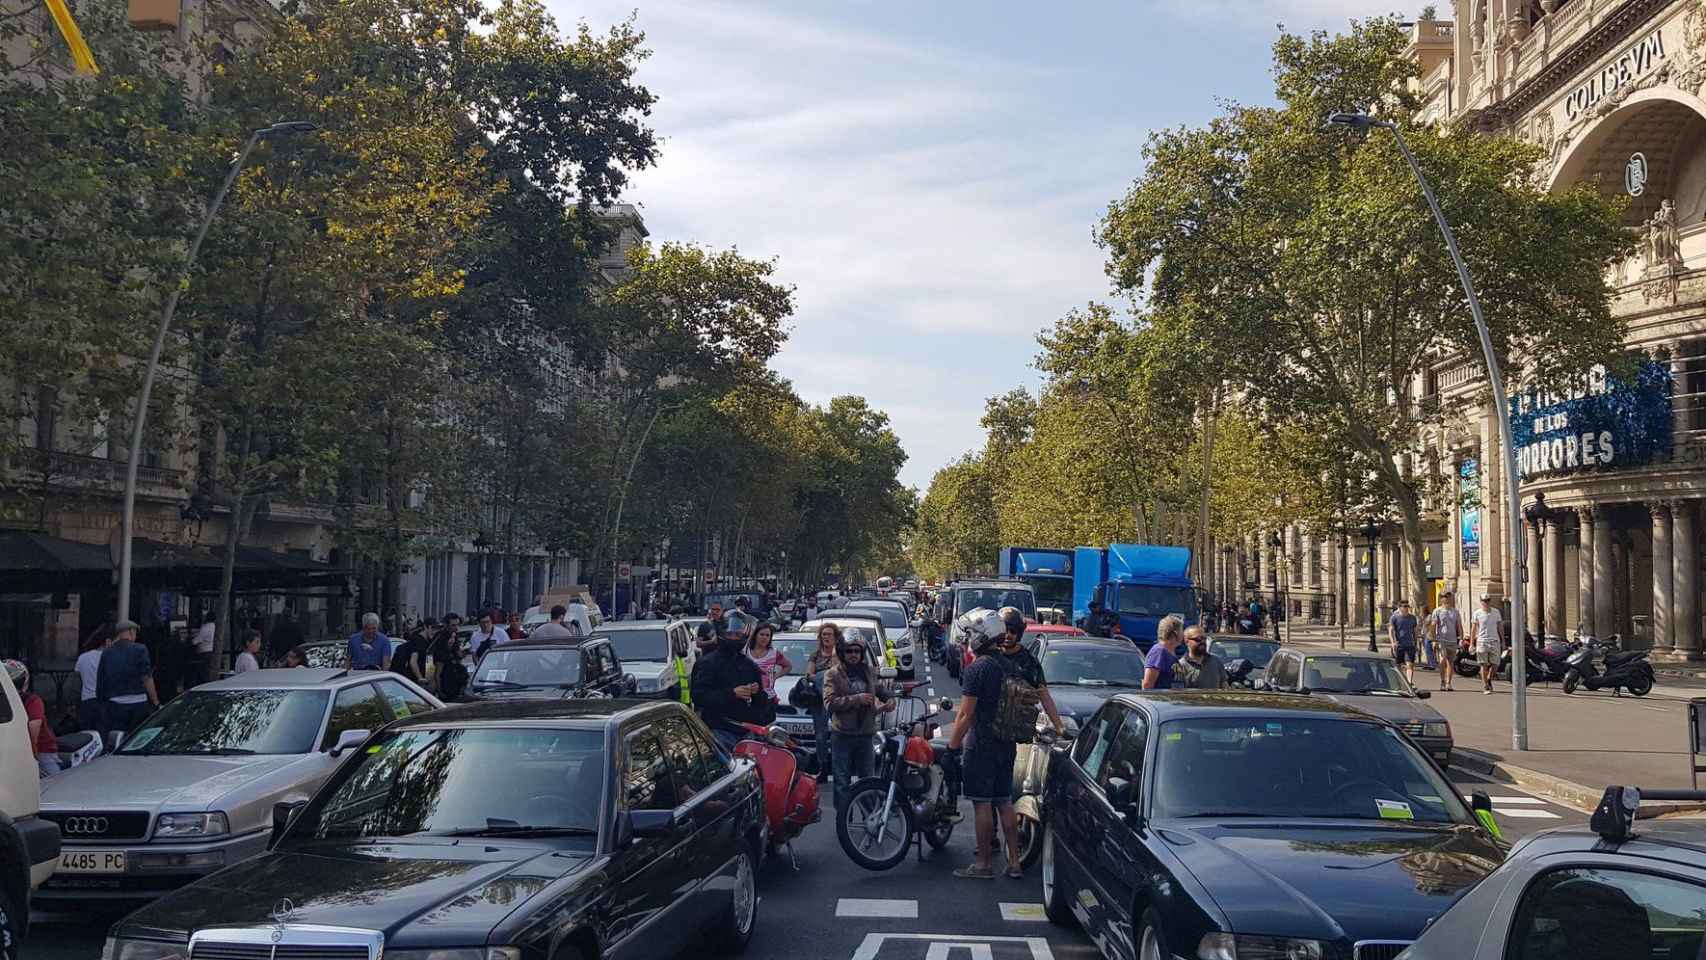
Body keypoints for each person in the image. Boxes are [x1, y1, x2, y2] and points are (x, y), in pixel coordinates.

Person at [947, 606, 1062, 880]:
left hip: (982, 743)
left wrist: (952, 747)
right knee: (1004, 802)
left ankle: (984, 864)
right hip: (1007, 742)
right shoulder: (1012, 663)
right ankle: (1014, 862)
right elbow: (1040, 693)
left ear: (982, 636)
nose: (967, 639)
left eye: (971, 634)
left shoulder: (979, 668)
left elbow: (965, 714)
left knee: (982, 803)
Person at [824, 631, 894, 809]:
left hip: (866, 734)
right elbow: (830, 703)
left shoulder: (869, 671)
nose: (853, 655)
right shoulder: (832, 674)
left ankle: (871, 818)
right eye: (849, 651)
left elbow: (879, 689)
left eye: (857, 651)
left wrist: (889, 698)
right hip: (842, 735)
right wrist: (857, 699)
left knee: (868, 780)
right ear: (841, 653)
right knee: (841, 781)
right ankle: (843, 818)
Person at [690, 614, 775, 753]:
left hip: (746, 733)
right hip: (717, 731)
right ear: (722, 633)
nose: (734, 637)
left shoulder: (748, 665)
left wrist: (757, 692)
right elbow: (699, 696)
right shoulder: (707, 663)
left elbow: (760, 704)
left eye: (738, 634)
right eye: (730, 633)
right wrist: (732, 693)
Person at [97, 620, 159, 738]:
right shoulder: (140, 649)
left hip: (115, 704)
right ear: (131, 632)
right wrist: (155, 700)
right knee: (137, 737)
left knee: (117, 738)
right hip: (138, 703)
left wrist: (102, 704)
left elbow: (101, 680)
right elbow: (146, 678)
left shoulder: (107, 652)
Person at [5, 660, 60, 777]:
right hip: (17, 750)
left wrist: (33, 758)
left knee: (54, 782)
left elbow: (33, 729)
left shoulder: (32, 700)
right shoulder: (5, 702)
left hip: (41, 749)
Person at [801, 622, 840, 781]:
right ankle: (822, 766)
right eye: (824, 634)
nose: (826, 637)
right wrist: (822, 675)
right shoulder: (815, 655)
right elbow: (808, 674)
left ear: (835, 637)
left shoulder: (841, 654)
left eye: (829, 634)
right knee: (820, 735)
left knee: (839, 733)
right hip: (819, 698)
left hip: (838, 698)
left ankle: (839, 766)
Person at [74, 629, 110, 733]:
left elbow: (77, 680)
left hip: (86, 700)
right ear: (108, 642)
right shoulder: (109, 657)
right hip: (104, 700)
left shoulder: (83, 657)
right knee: (103, 733)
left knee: (86, 733)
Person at [746, 621, 791, 698]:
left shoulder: (773, 653)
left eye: (767, 635)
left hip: (767, 696)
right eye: (762, 634)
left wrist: (775, 676)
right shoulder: (746, 651)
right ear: (755, 635)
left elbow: (788, 666)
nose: (764, 637)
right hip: (748, 695)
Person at [1427, 592, 1463, 691]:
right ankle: (1442, 681)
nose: (1445, 599)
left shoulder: (1455, 612)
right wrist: (1433, 639)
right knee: (1442, 660)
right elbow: (1433, 625)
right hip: (1441, 639)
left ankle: (1448, 683)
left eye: (1447, 597)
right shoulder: (1437, 611)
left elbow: (1459, 625)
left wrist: (1461, 638)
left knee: (1450, 662)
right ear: (1441, 599)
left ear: (1450, 598)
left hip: (1452, 639)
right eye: (1443, 597)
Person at [1175, 625, 1226, 689]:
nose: (1202, 641)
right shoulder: (1180, 666)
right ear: (1186, 641)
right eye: (1198, 639)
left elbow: (1224, 686)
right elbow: (1179, 693)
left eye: (1204, 638)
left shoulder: (1216, 661)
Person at [1471, 593, 1503, 695]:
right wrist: (1472, 643)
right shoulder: (1477, 613)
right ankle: (1485, 685)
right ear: (1481, 601)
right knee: (1483, 664)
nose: (1486, 602)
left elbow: (1500, 627)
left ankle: (1489, 678)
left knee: (1496, 664)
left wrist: (1503, 641)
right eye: (1484, 601)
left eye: (1488, 600)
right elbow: (1473, 629)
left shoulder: (1496, 612)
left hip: (1495, 641)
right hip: (1482, 641)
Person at [1143, 615, 1184, 689]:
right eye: (1181, 631)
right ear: (1175, 634)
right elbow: (1147, 685)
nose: (1183, 634)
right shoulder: (1158, 652)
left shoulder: (1171, 652)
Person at [1389, 600, 1419, 684]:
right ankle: (1400, 682)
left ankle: (1409, 683)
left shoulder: (1412, 618)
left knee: (1410, 664)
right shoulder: (1395, 617)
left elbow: (1415, 631)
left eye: (1407, 606)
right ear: (1400, 607)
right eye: (1404, 606)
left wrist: (1415, 642)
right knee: (1399, 665)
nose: (1406, 608)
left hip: (1410, 644)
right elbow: (1391, 630)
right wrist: (1393, 642)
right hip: (1399, 644)